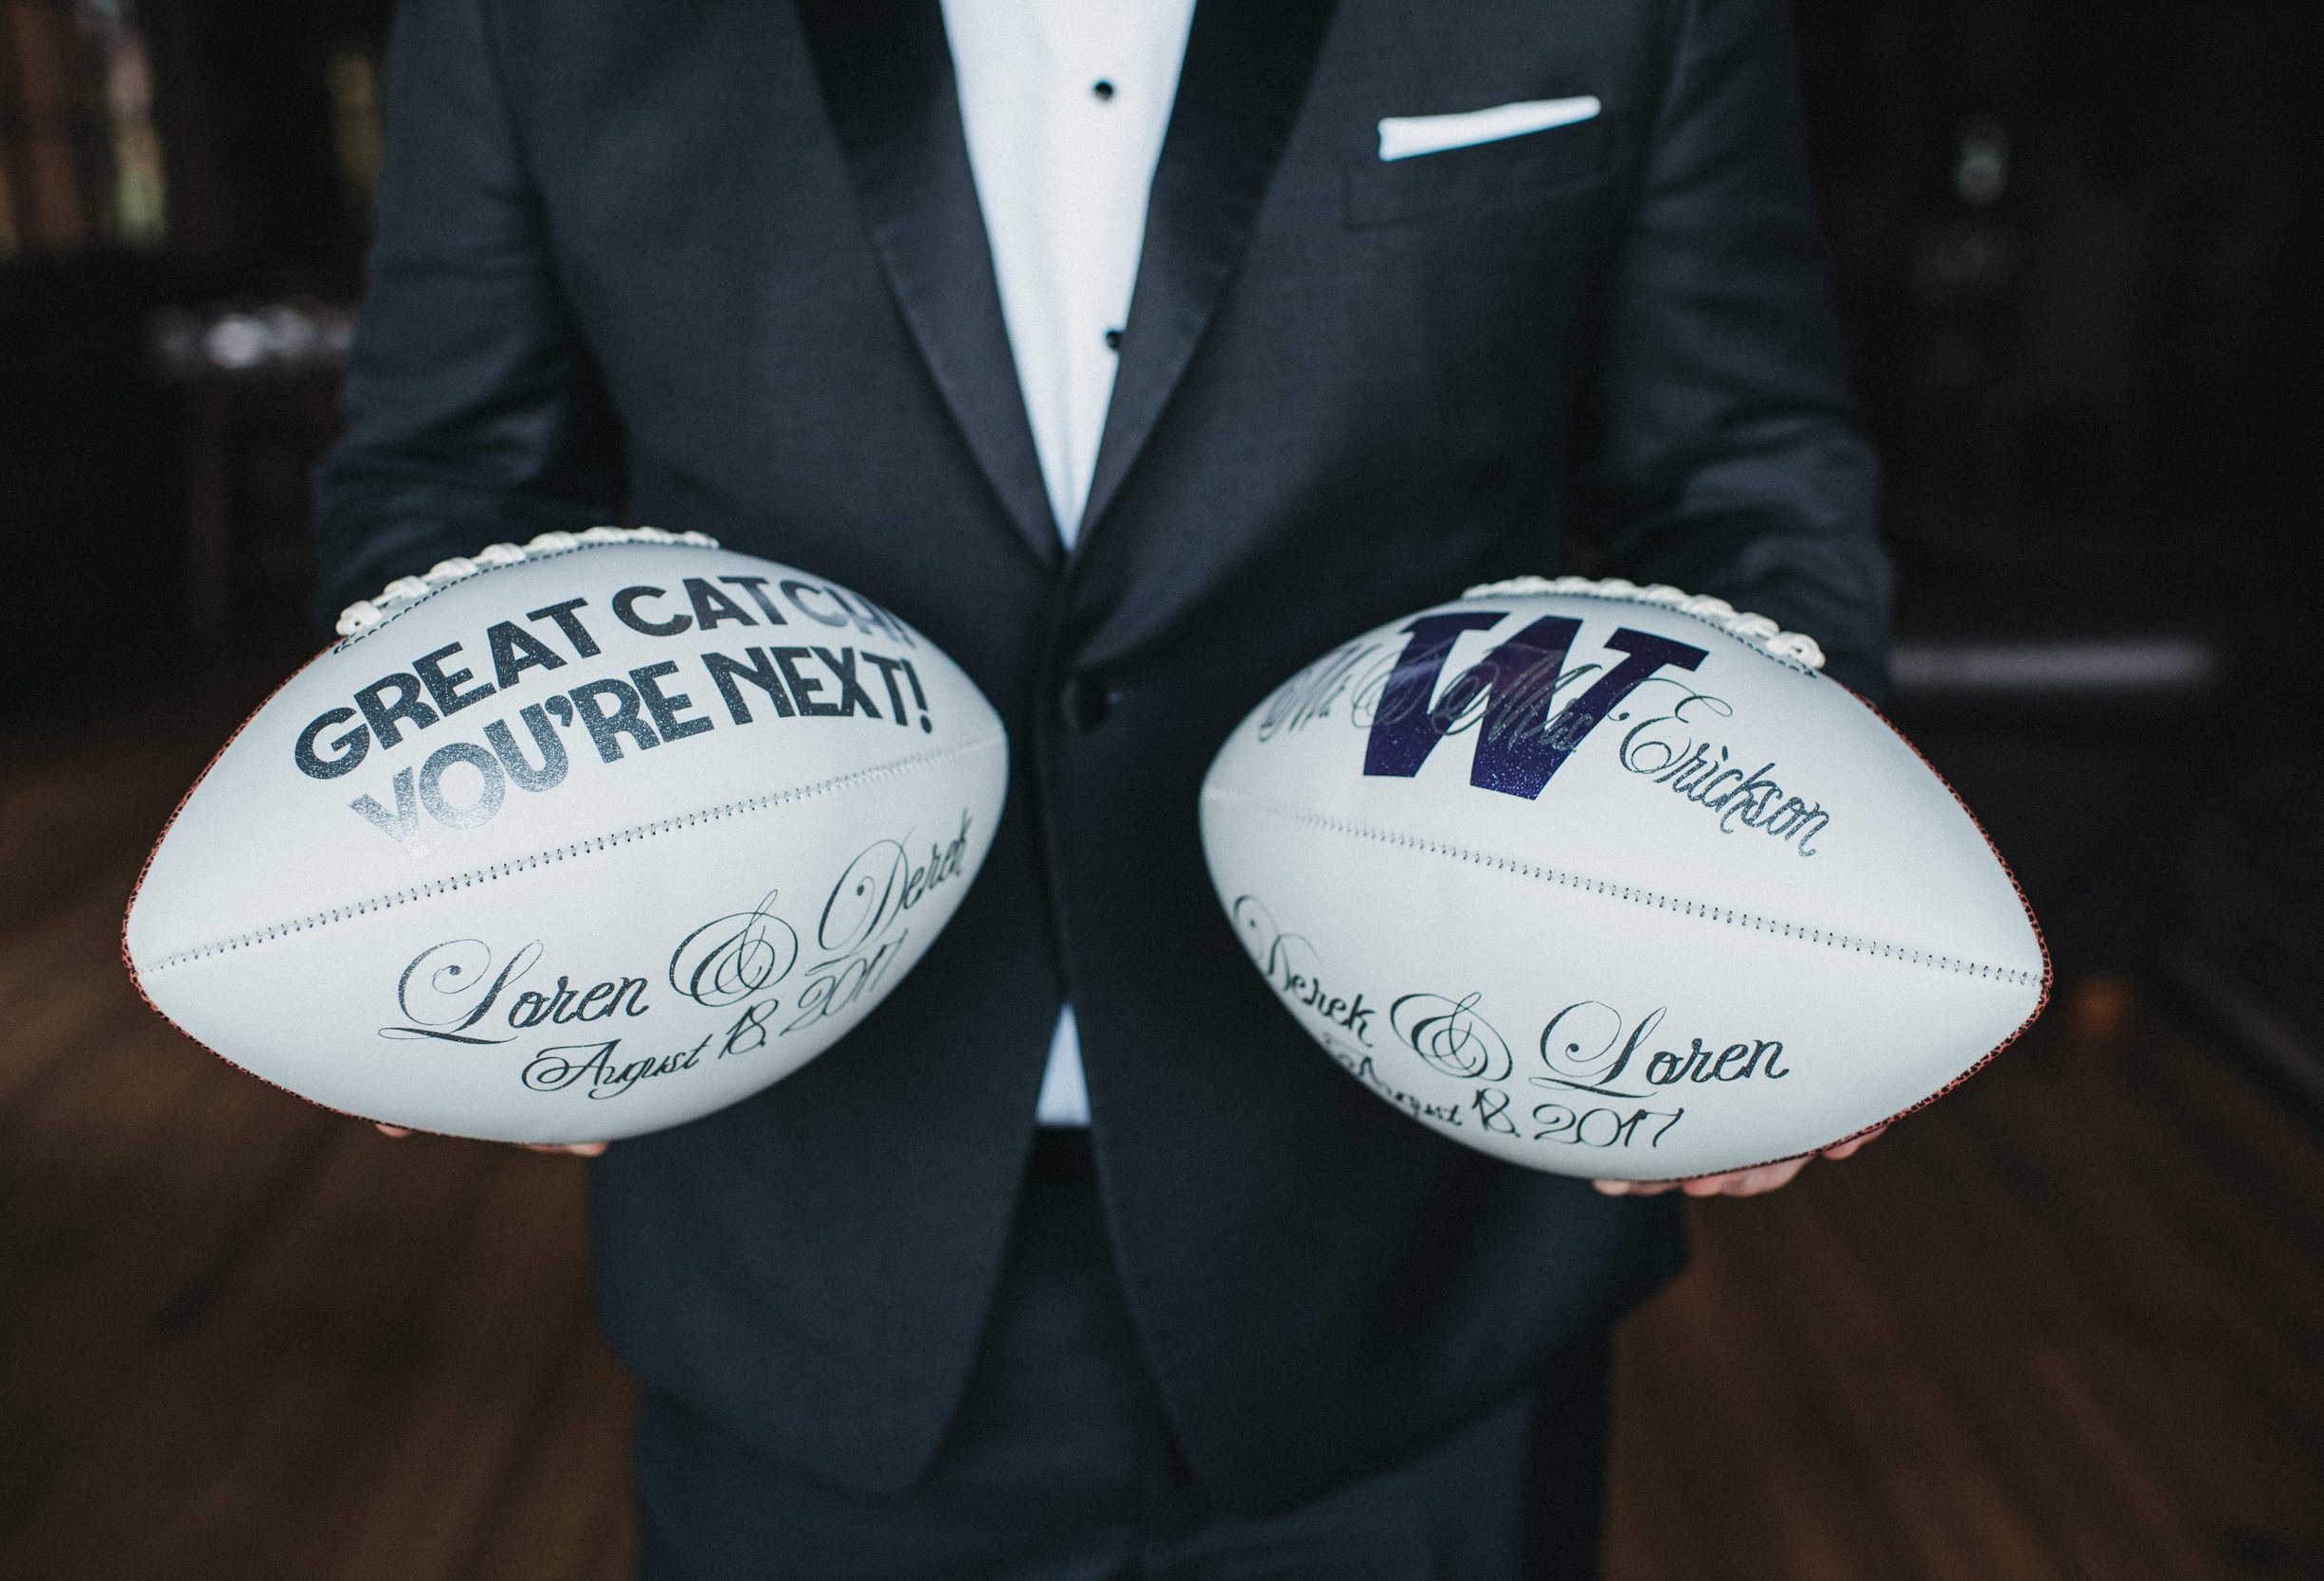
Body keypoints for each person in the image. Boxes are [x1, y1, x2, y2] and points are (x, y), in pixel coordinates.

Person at [315, 0, 1891, 1573]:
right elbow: (450, 486)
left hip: (1416, 1266)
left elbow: (1743, 489)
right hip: (803, 1255)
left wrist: (1769, 910)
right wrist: (493, 877)